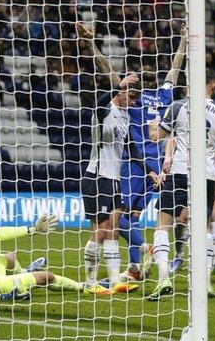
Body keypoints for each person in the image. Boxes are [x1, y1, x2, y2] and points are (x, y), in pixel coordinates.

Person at [76, 22, 187, 282]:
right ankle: (135, 268)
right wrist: (183, 40)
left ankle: (143, 249)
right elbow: (175, 67)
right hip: (157, 164)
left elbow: (107, 71)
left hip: (132, 163)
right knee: (133, 217)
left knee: (119, 219)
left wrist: (91, 44)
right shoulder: (164, 96)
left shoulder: (131, 97)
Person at [148, 68, 215, 300]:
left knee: (163, 224)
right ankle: (204, 284)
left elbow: (158, 136)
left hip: (180, 170)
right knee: (202, 227)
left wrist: (152, 121)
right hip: (205, 174)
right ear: (214, 85)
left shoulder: (178, 106)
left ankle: (164, 277)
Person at [80, 74, 141, 295]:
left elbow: (132, 149)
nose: (133, 102)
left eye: (136, 99)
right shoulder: (105, 111)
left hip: (114, 179)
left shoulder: (125, 117)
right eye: (131, 96)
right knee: (101, 230)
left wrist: (151, 172)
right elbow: (96, 104)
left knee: (114, 229)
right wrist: (118, 85)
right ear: (121, 92)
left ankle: (116, 281)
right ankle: (90, 283)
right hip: (98, 176)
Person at [0, 208, 83, 301]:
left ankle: (24, 272)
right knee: (46, 276)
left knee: (10, 257)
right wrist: (3, 296)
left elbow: (0, 233)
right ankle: (82, 287)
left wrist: (33, 229)